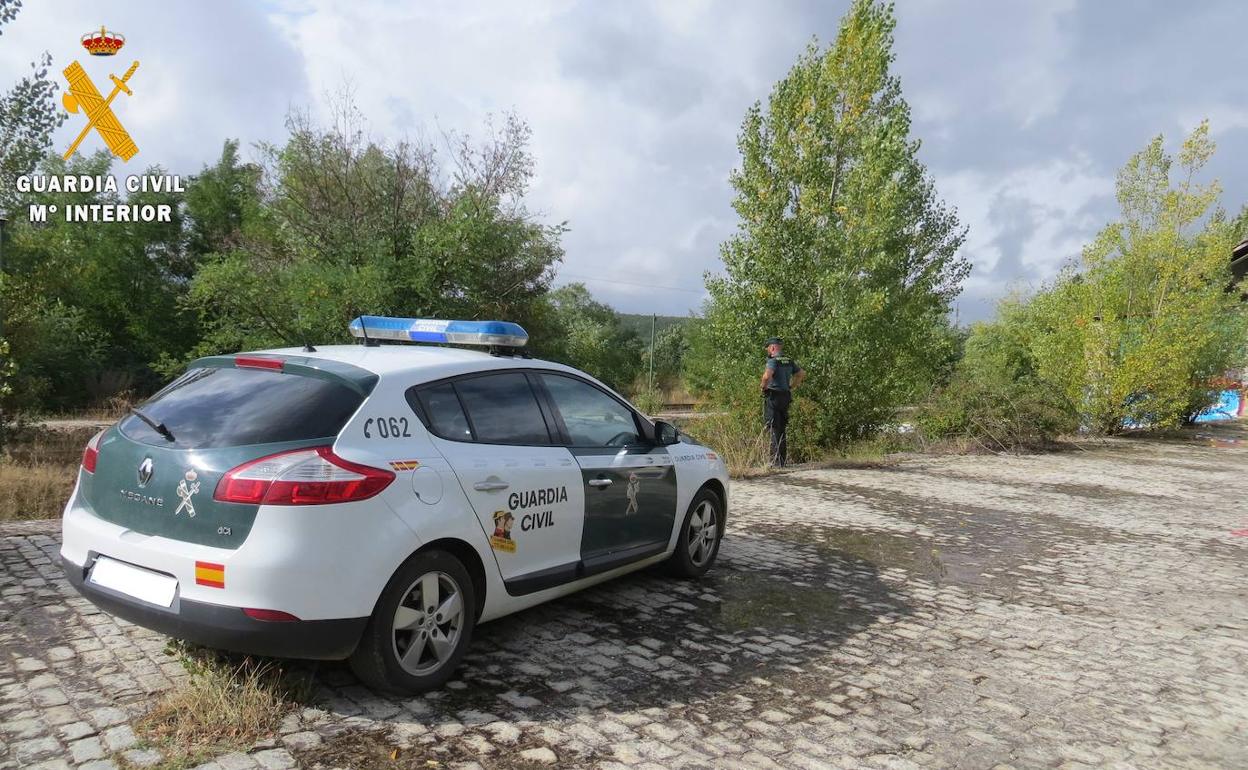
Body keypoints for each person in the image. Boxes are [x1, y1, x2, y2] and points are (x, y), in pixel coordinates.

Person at [760, 336, 804, 467]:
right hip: (786, 396)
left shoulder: (773, 361)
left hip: (774, 396)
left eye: (768, 348)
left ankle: (774, 462)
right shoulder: (788, 361)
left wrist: (763, 387)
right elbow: (801, 373)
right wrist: (792, 385)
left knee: (773, 427)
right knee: (782, 428)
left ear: (772, 347)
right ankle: (782, 461)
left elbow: (767, 376)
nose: (768, 351)